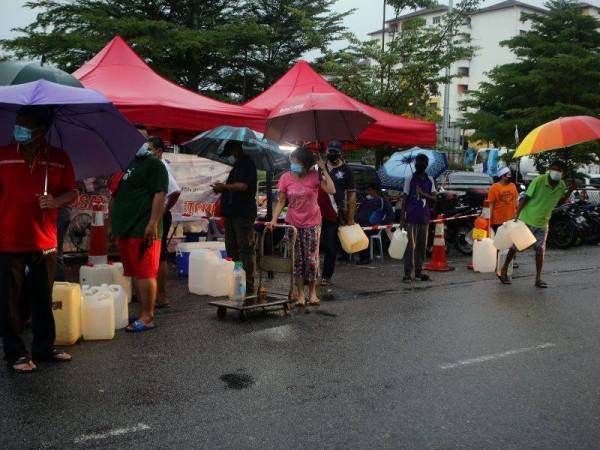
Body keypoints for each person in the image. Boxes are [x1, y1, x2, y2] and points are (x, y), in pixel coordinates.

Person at [0, 105, 78, 373]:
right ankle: (15, 354)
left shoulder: (57, 158)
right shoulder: (4, 155)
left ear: (41, 130)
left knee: (43, 298)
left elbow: (72, 193)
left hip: (45, 242)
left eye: (24, 124)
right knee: (9, 299)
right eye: (17, 123)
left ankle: (44, 348)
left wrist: (55, 201)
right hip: (7, 240)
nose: (18, 129)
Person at [110, 140, 168, 331]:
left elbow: (160, 195)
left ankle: (148, 316)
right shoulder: (127, 165)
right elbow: (116, 196)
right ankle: (143, 311)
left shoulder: (154, 164)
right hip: (126, 229)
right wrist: (113, 226)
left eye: (143, 139)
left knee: (145, 273)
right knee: (135, 272)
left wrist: (152, 223)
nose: (140, 143)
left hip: (142, 229)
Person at [269, 147, 335, 305]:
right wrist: (273, 219)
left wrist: (324, 168)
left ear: (306, 165)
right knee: (297, 260)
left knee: (311, 260)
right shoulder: (285, 177)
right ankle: (300, 294)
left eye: (296, 162)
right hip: (293, 223)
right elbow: (281, 201)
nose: (292, 164)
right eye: (292, 161)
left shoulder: (314, 176)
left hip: (312, 223)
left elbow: (332, 190)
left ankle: (312, 293)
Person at [499, 161, 574, 288]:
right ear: (550, 169)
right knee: (516, 247)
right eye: (553, 169)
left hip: (543, 222)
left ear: (563, 173)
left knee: (540, 250)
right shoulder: (539, 180)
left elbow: (559, 201)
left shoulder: (561, 185)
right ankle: (504, 269)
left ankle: (538, 278)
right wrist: (517, 214)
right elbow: (526, 197)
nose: (555, 172)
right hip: (527, 219)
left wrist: (569, 191)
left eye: (559, 170)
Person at [212, 141, 258, 295]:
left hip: (243, 213)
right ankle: (238, 281)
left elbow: (243, 186)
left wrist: (224, 187)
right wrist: (221, 190)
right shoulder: (237, 166)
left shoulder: (248, 164)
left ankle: (248, 286)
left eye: (230, 153)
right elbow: (233, 187)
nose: (229, 157)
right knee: (231, 248)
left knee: (245, 248)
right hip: (231, 213)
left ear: (236, 149)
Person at [148, 136, 181, 309]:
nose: (148, 152)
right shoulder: (152, 166)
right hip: (154, 216)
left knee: (159, 255)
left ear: (159, 152)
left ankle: (162, 296)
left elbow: (175, 192)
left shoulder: (161, 166)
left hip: (159, 217)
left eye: (150, 149)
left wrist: (163, 211)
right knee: (152, 255)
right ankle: (152, 294)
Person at [318, 141, 357, 286]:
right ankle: (312, 273)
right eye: (330, 151)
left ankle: (326, 276)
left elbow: (352, 194)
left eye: (335, 151)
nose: (332, 154)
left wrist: (351, 218)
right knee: (314, 245)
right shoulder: (318, 168)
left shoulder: (346, 170)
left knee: (330, 245)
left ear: (340, 153)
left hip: (334, 213)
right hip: (316, 212)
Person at [403, 154, 436, 283]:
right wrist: (402, 220)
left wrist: (422, 194)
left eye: (422, 162)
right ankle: (407, 274)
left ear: (426, 165)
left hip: (424, 217)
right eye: (418, 162)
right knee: (410, 247)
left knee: (421, 247)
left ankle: (418, 272)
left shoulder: (430, 179)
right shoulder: (409, 178)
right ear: (415, 164)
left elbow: (435, 198)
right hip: (411, 217)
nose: (420, 164)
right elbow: (404, 198)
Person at [355, 184, 394, 264]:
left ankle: (365, 258)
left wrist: (381, 223)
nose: (368, 192)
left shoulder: (382, 201)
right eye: (368, 190)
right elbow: (358, 212)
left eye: (370, 190)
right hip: (362, 225)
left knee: (364, 234)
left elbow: (390, 214)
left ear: (375, 191)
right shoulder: (365, 201)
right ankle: (348, 256)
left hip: (374, 226)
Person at [488, 167, 519, 232]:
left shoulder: (513, 186)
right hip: (498, 221)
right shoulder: (494, 187)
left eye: (510, 174)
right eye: (508, 174)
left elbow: (516, 200)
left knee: (510, 241)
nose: (510, 176)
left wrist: (517, 214)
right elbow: (491, 205)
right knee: (499, 241)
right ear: (502, 176)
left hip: (511, 220)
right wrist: (488, 219)